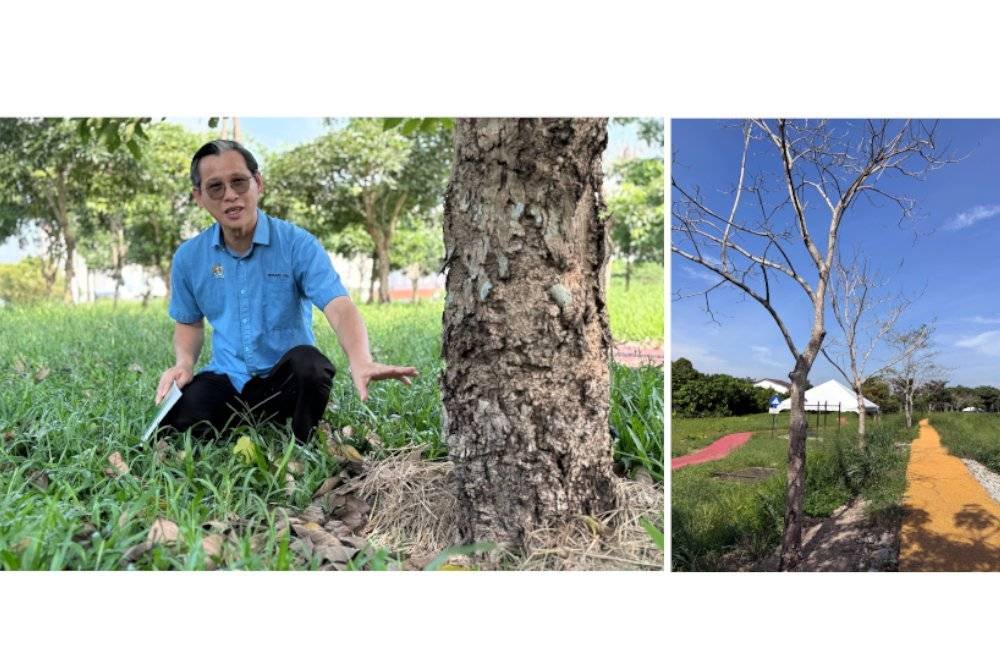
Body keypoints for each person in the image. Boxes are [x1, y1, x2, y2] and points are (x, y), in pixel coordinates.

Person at [155, 139, 417, 444]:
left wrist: (361, 359)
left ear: (258, 183)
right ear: (199, 196)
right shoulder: (189, 257)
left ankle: (303, 439)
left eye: (239, 182)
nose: (230, 195)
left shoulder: (297, 244)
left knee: (312, 366)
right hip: (228, 377)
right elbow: (189, 322)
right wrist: (184, 364)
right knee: (179, 425)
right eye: (216, 187)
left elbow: (338, 304)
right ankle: (238, 419)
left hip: (286, 380)